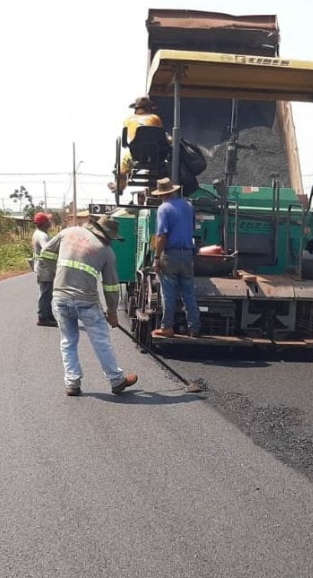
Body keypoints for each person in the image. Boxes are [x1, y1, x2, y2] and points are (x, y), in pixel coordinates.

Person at [37, 214, 139, 397]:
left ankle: (72, 383)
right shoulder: (106, 251)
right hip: (87, 301)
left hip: (60, 297)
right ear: (107, 235)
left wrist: (59, 271)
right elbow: (111, 286)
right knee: (101, 341)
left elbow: (45, 254)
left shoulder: (67, 233)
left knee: (68, 341)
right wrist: (112, 312)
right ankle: (116, 380)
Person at [150, 178, 201, 338]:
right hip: (187, 254)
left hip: (170, 255)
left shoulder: (163, 209)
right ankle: (194, 328)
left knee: (169, 293)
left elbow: (161, 236)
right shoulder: (188, 206)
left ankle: (167, 327)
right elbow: (192, 228)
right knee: (188, 293)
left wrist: (157, 258)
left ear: (161, 194)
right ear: (173, 190)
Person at [113, 96, 166, 193]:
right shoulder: (155, 118)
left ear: (136, 109)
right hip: (156, 153)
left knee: (124, 161)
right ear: (148, 108)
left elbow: (128, 137)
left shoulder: (128, 120)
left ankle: (120, 185)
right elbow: (161, 134)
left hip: (136, 153)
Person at [31, 212, 57, 327]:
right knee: (45, 293)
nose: (49, 222)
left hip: (43, 268)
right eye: (48, 221)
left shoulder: (41, 233)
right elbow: (47, 250)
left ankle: (48, 314)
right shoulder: (42, 236)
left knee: (48, 293)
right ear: (43, 223)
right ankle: (43, 317)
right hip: (45, 269)